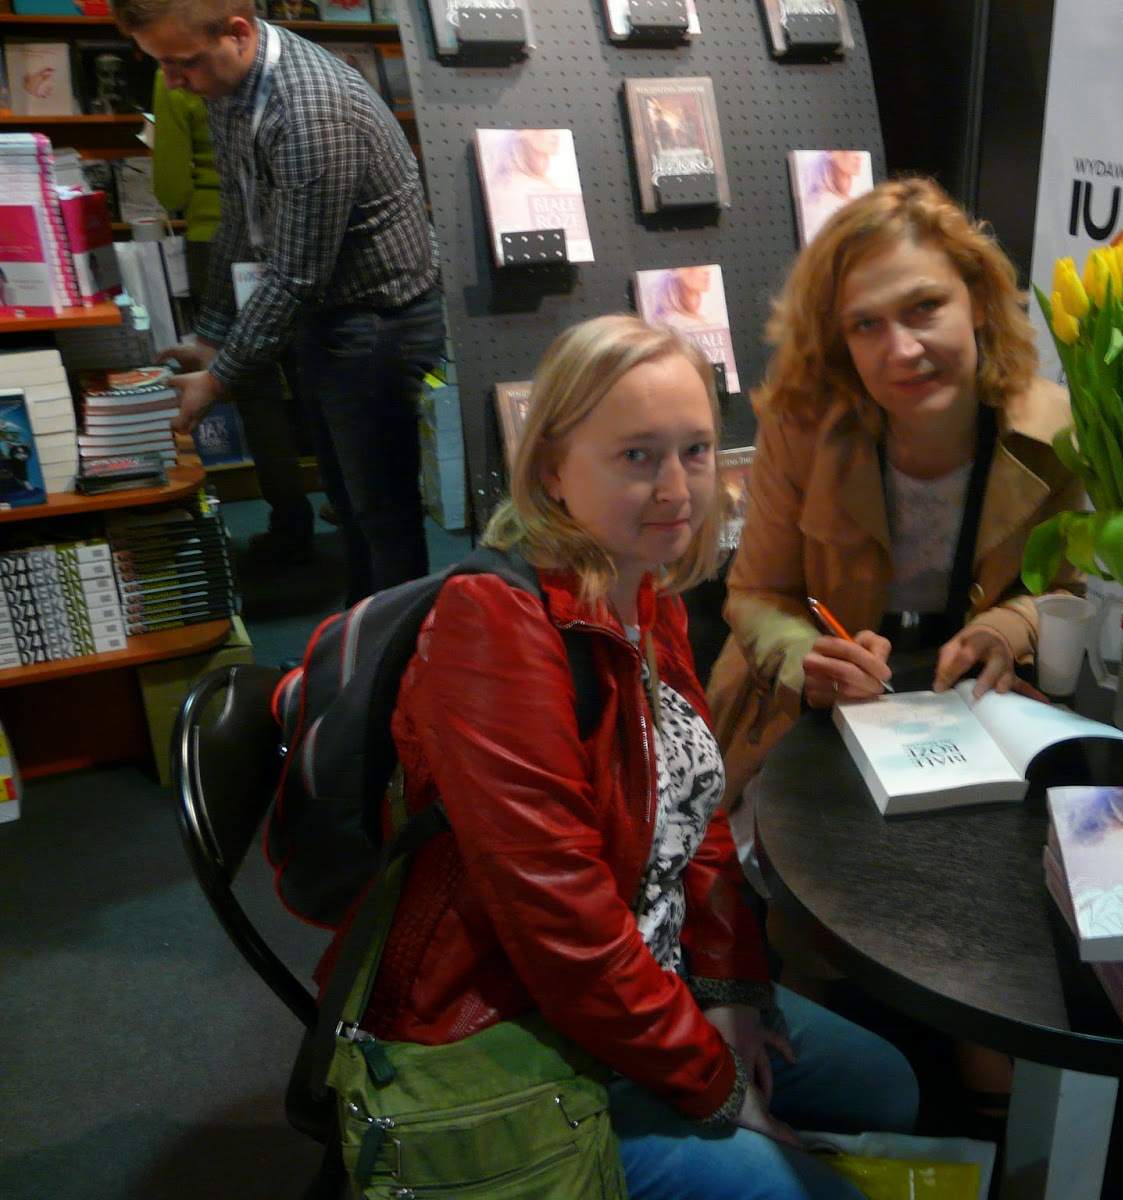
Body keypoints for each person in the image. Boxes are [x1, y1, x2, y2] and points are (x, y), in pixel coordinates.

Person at [343, 314, 918, 1200]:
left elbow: (696, 812)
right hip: (518, 1021)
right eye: (637, 457)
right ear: (551, 469)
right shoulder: (493, 626)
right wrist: (718, 1086)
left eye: (695, 450)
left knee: (887, 1087)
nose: (678, 490)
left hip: (645, 978)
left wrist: (729, 994)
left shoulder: (642, 590)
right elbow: (562, 933)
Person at [704, 175, 1088, 1128]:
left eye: (924, 309)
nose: (900, 349)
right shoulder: (803, 424)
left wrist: (1013, 626)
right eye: (866, 326)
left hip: (983, 700)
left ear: (979, 300)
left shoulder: (1057, 429)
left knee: (999, 891)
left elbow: (1077, 587)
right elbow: (753, 593)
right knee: (822, 905)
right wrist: (803, 655)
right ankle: (840, 1057)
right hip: (817, 706)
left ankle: (984, 1095)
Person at [113, 0, 444, 604]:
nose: (172, 81)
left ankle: (399, 650)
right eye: (160, 62)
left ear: (237, 33)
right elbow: (240, 215)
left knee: (382, 512)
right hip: (329, 311)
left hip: (378, 318)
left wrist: (220, 378)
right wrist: (211, 336)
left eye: (182, 62)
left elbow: (297, 274)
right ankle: (359, 639)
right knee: (347, 501)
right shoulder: (230, 84)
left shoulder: (311, 109)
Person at [151, 67, 316, 565]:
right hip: (289, 235)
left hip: (216, 241)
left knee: (256, 392)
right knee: (312, 374)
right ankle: (347, 504)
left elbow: (169, 185)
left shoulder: (172, 78)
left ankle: (290, 524)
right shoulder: (273, 69)